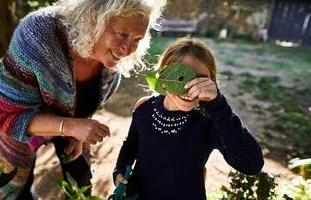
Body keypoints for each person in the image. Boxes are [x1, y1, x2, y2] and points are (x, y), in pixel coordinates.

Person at [0, 0, 166, 199]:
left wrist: (75, 132)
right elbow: (8, 114)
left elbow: (87, 103)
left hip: (74, 127)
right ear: (93, 20)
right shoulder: (37, 34)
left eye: (137, 38)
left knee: (81, 186)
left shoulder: (113, 60)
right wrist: (70, 127)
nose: (127, 49)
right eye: (122, 34)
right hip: (20, 128)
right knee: (14, 191)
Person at [113, 37, 264, 200]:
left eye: (199, 80)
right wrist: (119, 170)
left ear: (211, 82)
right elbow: (131, 144)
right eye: (181, 77)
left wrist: (218, 105)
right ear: (163, 78)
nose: (189, 89)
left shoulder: (209, 121)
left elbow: (251, 164)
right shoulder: (144, 108)